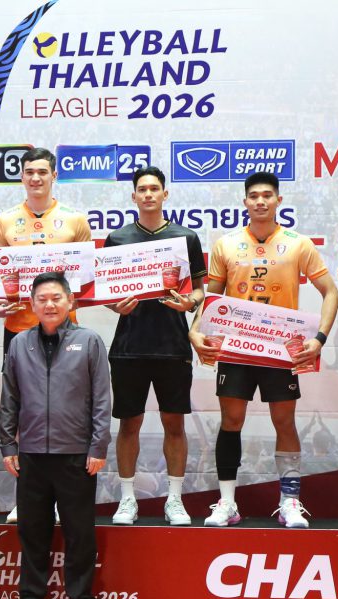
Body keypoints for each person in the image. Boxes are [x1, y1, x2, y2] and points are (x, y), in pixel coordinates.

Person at [189, 171, 338, 528]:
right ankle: (227, 503)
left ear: (278, 200)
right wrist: (195, 330)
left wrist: (319, 338)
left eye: (267, 195)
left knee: (284, 421)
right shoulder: (226, 244)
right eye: (254, 196)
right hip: (236, 348)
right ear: (245, 202)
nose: (260, 201)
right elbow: (211, 298)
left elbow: (331, 292)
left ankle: (290, 501)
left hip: (280, 349)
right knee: (231, 421)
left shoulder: (298, 244)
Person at [0, 272, 110, 599]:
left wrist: (98, 445)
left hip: (76, 454)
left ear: (70, 302)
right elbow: (9, 397)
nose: (49, 304)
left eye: (56, 298)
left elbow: (102, 399)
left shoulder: (89, 341)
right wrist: (8, 444)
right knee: (33, 532)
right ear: (31, 305)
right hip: (31, 455)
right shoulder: (19, 344)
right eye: (42, 299)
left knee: (80, 533)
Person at [0, 147, 92, 523]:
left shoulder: (75, 220)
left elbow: (84, 282)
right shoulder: (4, 221)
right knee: (21, 409)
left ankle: (64, 496)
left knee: (67, 406)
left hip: (66, 333)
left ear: (54, 176)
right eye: (29, 171)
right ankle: (27, 495)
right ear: (22, 176)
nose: (35, 178)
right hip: (19, 331)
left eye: (42, 172)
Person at [106, 166, 206, 526]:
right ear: (133, 196)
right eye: (142, 189)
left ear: (165, 194)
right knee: (128, 425)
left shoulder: (186, 237)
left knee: (174, 424)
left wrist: (190, 303)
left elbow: (199, 289)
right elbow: (106, 293)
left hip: (172, 345)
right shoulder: (118, 239)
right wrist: (114, 306)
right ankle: (127, 499)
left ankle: (174, 500)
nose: (148, 194)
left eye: (154, 189)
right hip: (129, 346)